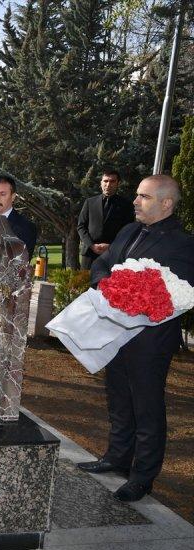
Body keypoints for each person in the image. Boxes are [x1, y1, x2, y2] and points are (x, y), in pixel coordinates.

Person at [77, 175, 194, 502]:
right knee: (118, 400)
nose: (135, 201)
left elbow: (175, 295)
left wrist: (132, 295)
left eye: (143, 197)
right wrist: (106, 285)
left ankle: (142, 476)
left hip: (149, 343)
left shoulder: (184, 244)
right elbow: (102, 264)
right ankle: (116, 457)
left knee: (146, 407)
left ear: (166, 204)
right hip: (115, 335)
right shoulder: (128, 231)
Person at [77, 169, 134, 270]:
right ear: (101, 183)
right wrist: (91, 245)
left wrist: (111, 246)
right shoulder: (89, 202)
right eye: (105, 181)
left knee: (111, 285)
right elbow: (81, 226)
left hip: (113, 254)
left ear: (118, 183)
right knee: (85, 284)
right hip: (90, 253)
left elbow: (128, 231)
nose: (108, 184)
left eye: (112, 181)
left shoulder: (126, 205)